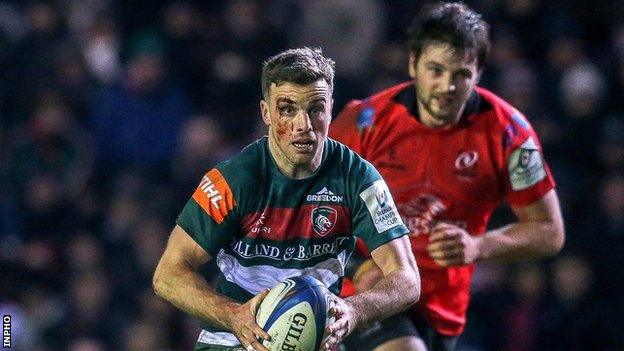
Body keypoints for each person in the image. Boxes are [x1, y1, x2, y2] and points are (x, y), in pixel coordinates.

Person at [329, 3, 565, 351]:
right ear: (413, 64)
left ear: (479, 72)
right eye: (435, 70)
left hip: (442, 311)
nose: (447, 86)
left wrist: (478, 245)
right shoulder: (362, 123)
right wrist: (359, 268)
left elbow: (549, 231)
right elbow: (308, 211)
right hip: (367, 295)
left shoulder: (509, 134)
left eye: (460, 75)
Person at [152, 47, 420, 351]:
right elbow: (168, 274)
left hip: (315, 339)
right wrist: (234, 315)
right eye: (288, 109)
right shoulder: (233, 180)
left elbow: (407, 279)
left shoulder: (358, 178)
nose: (303, 124)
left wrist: (355, 310)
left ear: (331, 108)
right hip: (233, 339)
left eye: (315, 108)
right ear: (267, 113)